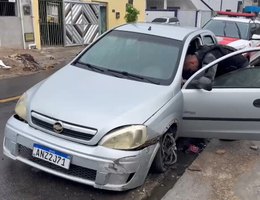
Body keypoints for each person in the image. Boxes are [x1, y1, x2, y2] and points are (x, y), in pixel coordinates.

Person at [183, 44, 249, 81]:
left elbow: (207, 82)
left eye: (189, 70)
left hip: (242, 71)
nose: (191, 72)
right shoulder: (201, 51)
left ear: (192, 63)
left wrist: (188, 82)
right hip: (232, 68)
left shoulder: (209, 58)